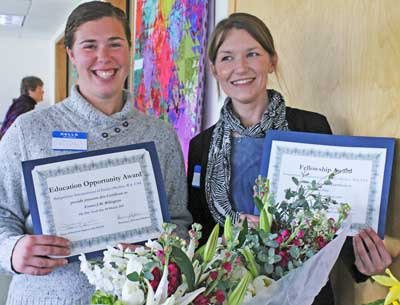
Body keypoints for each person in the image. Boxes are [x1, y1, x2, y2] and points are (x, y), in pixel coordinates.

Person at [187, 12, 392, 305]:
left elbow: (334, 215)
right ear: (214, 69)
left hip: (306, 294)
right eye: (227, 58)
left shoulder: (312, 128)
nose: (240, 67)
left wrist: (365, 264)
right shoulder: (201, 146)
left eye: (252, 54)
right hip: (229, 294)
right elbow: (198, 232)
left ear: (272, 61)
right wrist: (232, 237)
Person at [0, 2, 191, 304]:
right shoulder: (28, 129)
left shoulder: (161, 136)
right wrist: (11, 250)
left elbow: (179, 222)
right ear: (72, 55)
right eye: (90, 46)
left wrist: (159, 249)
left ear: (130, 50)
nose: (104, 57)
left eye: (115, 44)